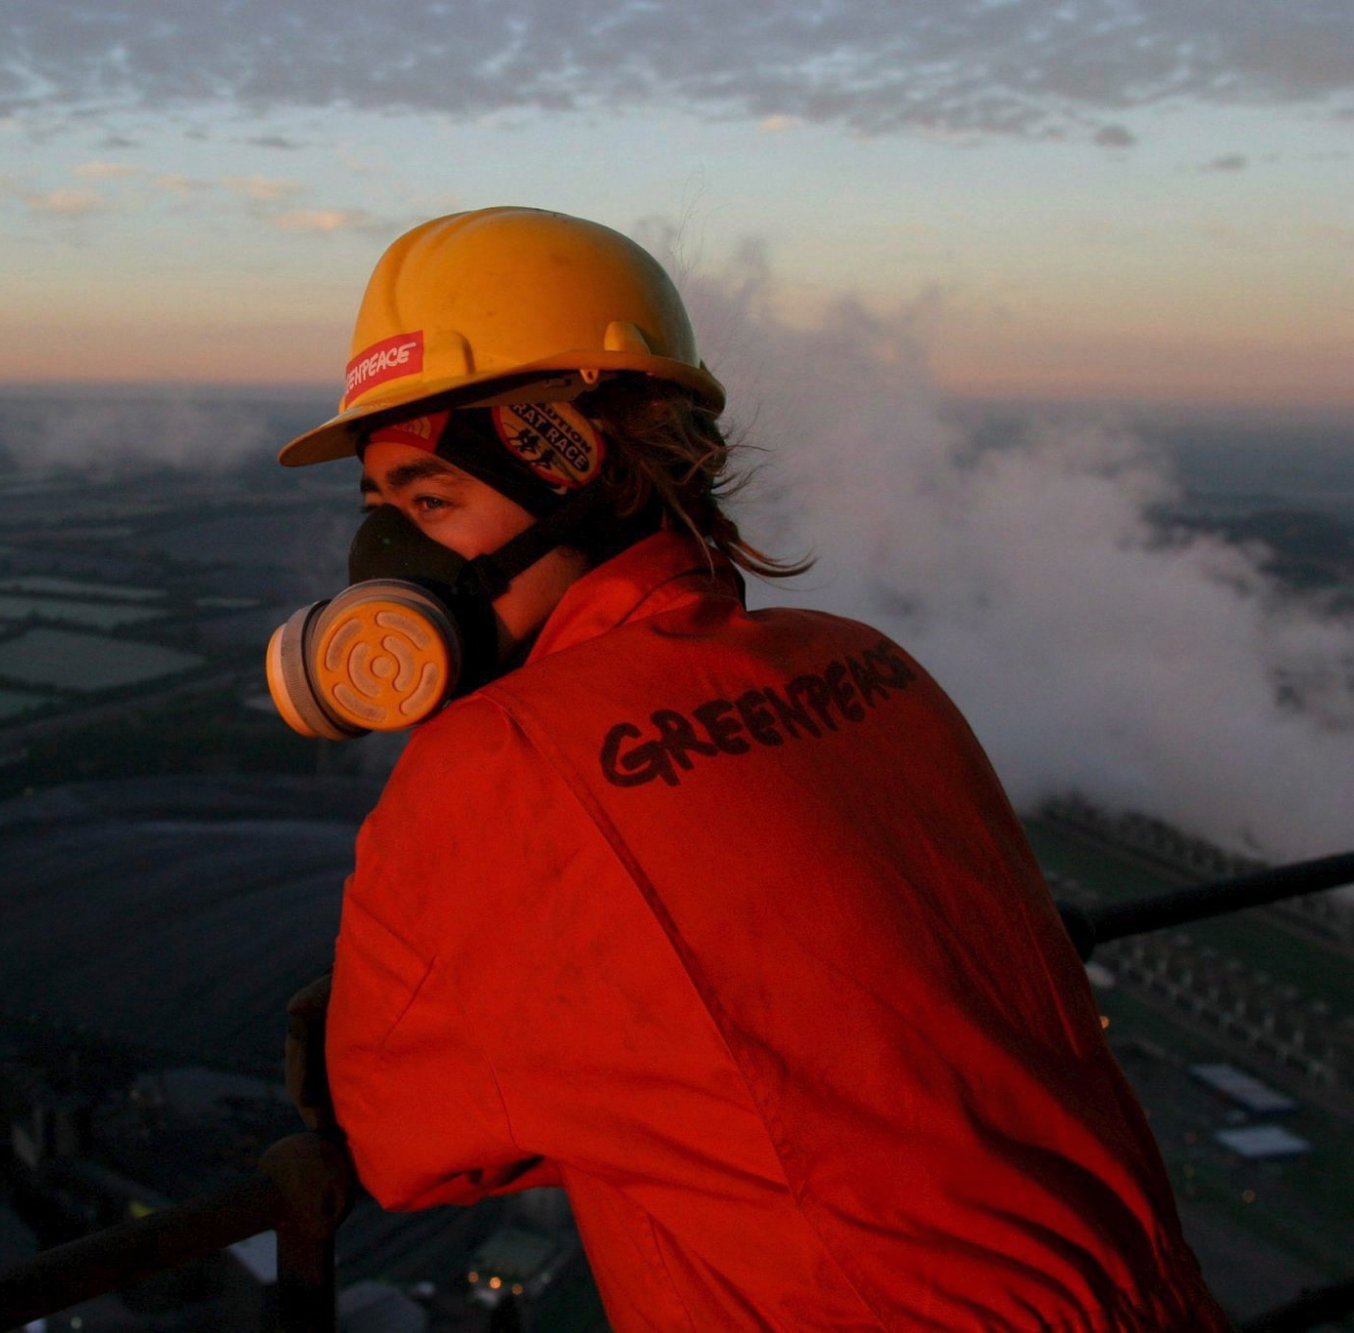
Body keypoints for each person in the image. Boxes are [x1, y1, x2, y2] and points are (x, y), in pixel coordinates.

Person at [269, 207, 1226, 1331]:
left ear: (587, 472)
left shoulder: (497, 756)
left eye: (430, 501)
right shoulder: (866, 663)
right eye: (381, 507)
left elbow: (410, 1148)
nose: (386, 559)